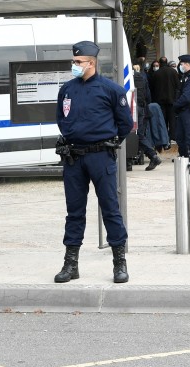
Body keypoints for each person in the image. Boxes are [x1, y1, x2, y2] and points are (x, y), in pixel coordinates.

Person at [52, 41, 134, 284]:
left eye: (78, 62)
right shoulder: (67, 89)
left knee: (110, 209)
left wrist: (108, 142)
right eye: (74, 62)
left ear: (91, 63)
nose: (74, 65)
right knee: (74, 212)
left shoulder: (111, 89)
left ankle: (119, 263)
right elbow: (61, 118)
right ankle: (71, 264)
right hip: (74, 157)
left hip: (100, 156)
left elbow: (125, 124)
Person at [132, 61, 162, 170]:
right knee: (140, 134)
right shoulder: (142, 77)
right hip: (143, 108)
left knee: (137, 134)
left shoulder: (127, 78)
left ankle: (152, 156)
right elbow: (148, 96)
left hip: (134, 108)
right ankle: (152, 156)